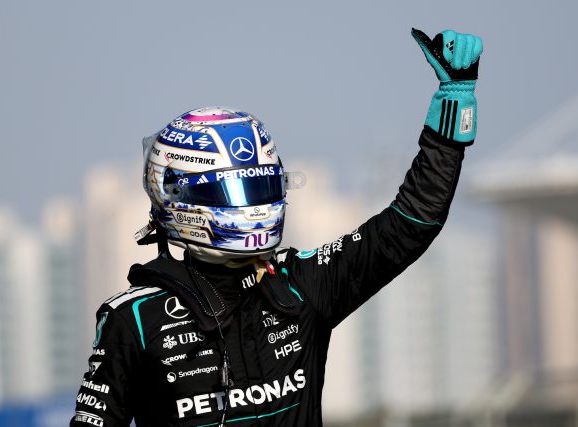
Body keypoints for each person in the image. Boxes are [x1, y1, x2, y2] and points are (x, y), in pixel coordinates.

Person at [70, 27, 483, 427]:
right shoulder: (133, 319)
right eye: (233, 191)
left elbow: (409, 224)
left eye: (261, 186)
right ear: (177, 197)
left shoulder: (301, 285)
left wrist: (451, 117)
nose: (253, 206)